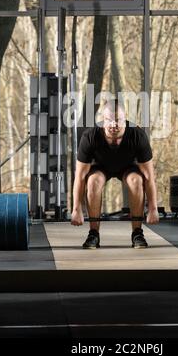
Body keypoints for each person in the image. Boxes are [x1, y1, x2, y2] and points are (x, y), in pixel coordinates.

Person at [71, 98, 159, 249]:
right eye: (109, 120)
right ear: (103, 120)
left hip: (127, 167)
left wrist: (153, 208)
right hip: (100, 167)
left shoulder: (138, 136)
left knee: (136, 181)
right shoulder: (90, 136)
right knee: (93, 181)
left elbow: (149, 177)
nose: (113, 125)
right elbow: (79, 177)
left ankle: (137, 232)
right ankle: (93, 234)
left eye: (118, 120)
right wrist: (76, 209)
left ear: (126, 120)